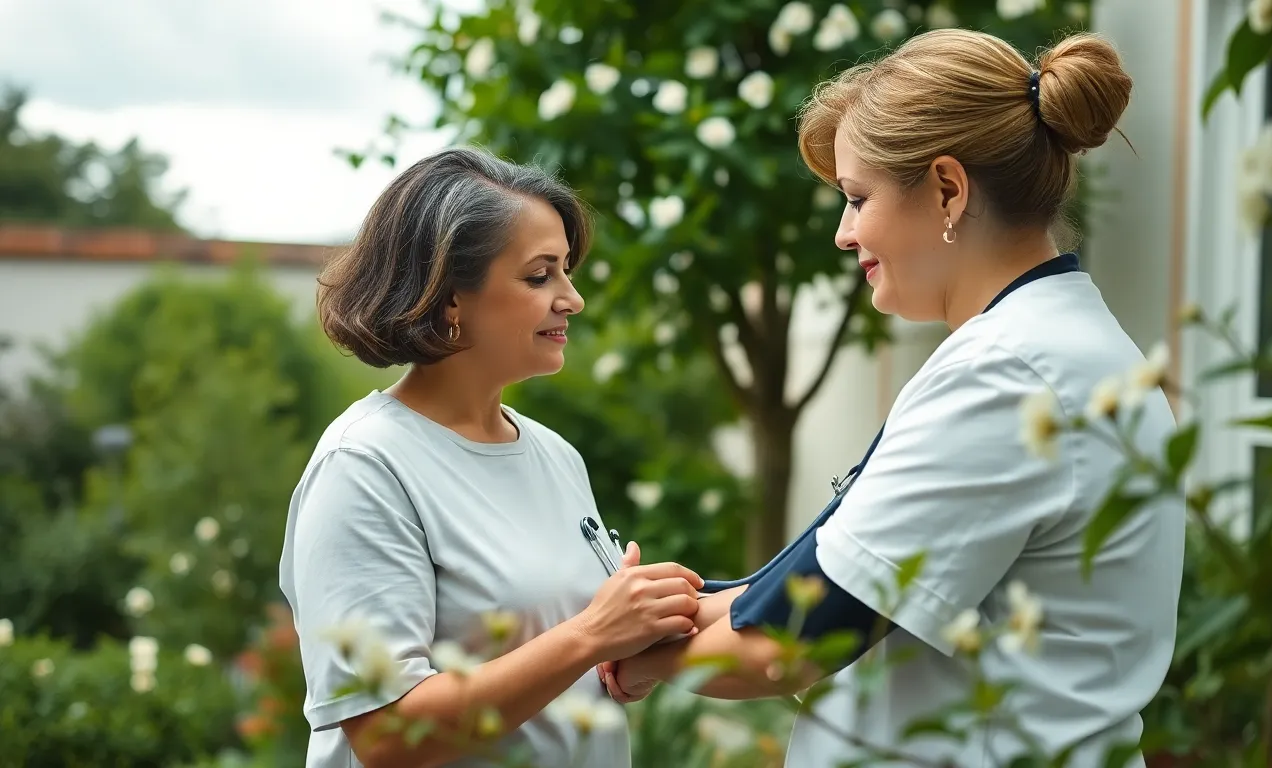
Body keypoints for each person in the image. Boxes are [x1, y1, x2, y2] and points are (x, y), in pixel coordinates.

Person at [600, 29, 1185, 768]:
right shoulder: (1061, 348)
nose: (844, 234)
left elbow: (792, 643)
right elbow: (822, 577)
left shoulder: (1006, 375)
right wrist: (671, 610)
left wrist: (640, 656)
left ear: (948, 187)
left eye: (857, 198)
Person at [278, 146, 703, 768]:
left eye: (566, 271)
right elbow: (387, 735)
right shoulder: (365, 466)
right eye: (540, 275)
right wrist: (591, 634)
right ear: (450, 296)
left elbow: (555, 664)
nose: (572, 298)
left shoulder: (555, 456)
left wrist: (625, 655)